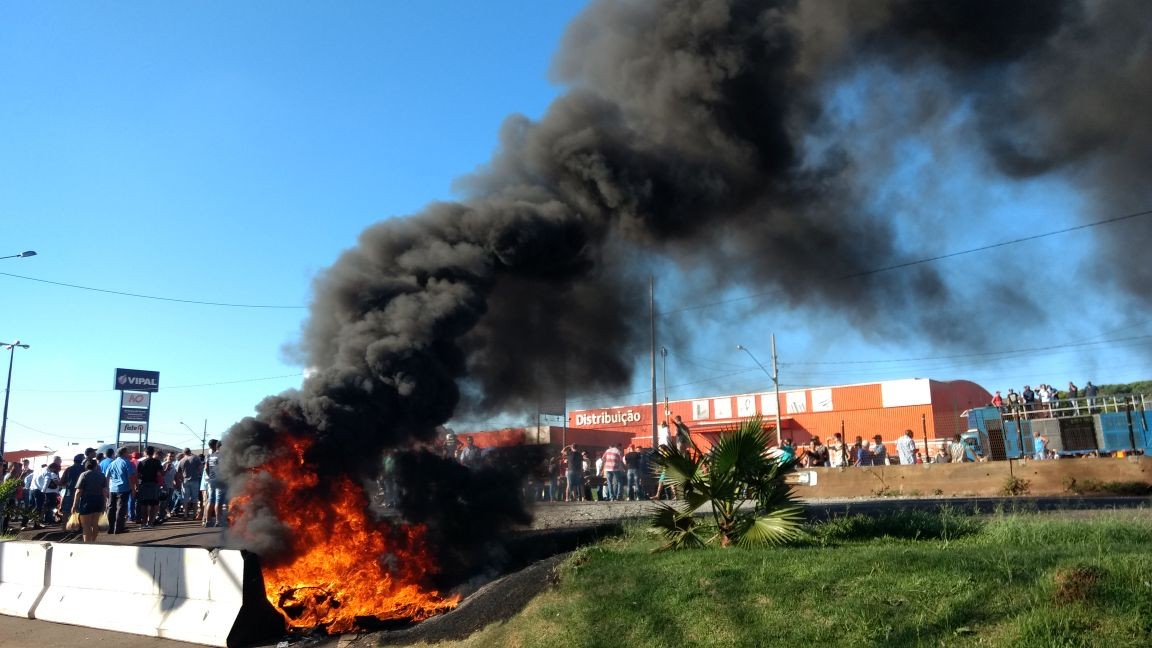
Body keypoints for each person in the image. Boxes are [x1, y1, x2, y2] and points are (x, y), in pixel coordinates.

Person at [71, 459, 108, 543]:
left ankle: (87, 544)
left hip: (87, 501)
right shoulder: (101, 475)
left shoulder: (84, 475)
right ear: (95, 466)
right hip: (99, 500)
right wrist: (105, 503)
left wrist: (74, 504)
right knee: (95, 524)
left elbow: (79, 491)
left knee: (86, 525)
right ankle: (93, 541)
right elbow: (104, 490)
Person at [105, 447, 136, 534]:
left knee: (111, 508)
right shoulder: (126, 463)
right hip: (123, 488)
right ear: (124, 453)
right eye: (127, 452)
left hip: (112, 488)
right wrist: (133, 489)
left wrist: (107, 488)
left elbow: (107, 477)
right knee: (121, 508)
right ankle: (118, 528)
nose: (128, 454)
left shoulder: (112, 463)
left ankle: (110, 528)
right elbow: (130, 477)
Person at [136, 446, 164, 528]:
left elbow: (138, 475)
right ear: (153, 453)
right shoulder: (157, 462)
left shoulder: (141, 462)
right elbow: (161, 473)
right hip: (154, 485)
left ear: (145, 453)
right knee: (153, 504)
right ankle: (151, 523)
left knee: (144, 505)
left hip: (144, 484)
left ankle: (144, 523)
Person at [203, 438, 227, 528]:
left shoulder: (210, 455)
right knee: (218, 502)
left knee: (210, 500)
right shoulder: (221, 456)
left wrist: (210, 476)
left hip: (211, 480)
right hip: (219, 480)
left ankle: (207, 521)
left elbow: (206, 468)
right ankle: (218, 521)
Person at [176, 448, 203, 521]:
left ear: (184, 453)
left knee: (185, 499)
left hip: (185, 481)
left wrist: (180, 479)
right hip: (195, 480)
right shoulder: (196, 458)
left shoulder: (181, 461)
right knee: (195, 499)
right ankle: (194, 515)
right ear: (190, 452)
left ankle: (185, 515)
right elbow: (201, 468)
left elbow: (178, 472)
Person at [58, 454, 85, 522]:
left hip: (69, 492)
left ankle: (64, 527)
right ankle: (77, 526)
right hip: (81, 492)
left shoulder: (69, 469)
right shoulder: (84, 469)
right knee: (79, 510)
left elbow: (61, 481)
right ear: (82, 461)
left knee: (66, 511)